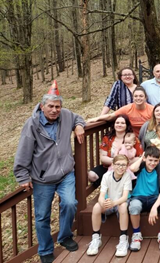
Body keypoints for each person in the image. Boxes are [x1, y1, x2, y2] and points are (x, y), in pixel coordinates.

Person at [13, 81, 85, 263]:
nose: (54, 110)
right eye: (51, 106)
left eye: (58, 107)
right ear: (42, 106)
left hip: (66, 173)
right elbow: (23, 152)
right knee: (42, 216)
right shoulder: (32, 125)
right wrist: (22, 176)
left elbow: (78, 118)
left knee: (70, 203)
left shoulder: (66, 115)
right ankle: (45, 250)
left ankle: (65, 236)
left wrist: (79, 126)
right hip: (42, 178)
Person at [128, 147, 160, 252]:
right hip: (139, 197)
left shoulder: (159, 168)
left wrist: (154, 208)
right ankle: (136, 234)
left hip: (154, 198)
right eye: (150, 160)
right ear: (145, 159)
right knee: (134, 206)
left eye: (155, 160)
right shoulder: (141, 166)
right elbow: (132, 169)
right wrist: (142, 158)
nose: (153, 163)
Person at [86, 155, 132, 257]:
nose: (121, 167)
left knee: (123, 206)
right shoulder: (106, 176)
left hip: (120, 202)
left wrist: (114, 203)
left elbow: (125, 197)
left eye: (123, 165)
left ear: (127, 166)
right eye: (118, 164)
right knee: (97, 207)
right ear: (113, 165)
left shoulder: (127, 176)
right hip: (110, 201)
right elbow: (101, 196)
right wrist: (103, 203)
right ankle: (96, 237)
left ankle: (123, 239)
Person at [88, 115, 143, 188]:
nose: (119, 125)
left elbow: (140, 157)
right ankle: (108, 185)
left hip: (128, 167)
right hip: (110, 166)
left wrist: (125, 162)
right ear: (114, 125)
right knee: (91, 175)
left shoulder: (132, 138)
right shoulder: (107, 138)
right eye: (117, 122)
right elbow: (103, 158)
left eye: (122, 123)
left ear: (127, 125)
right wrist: (117, 162)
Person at [88, 87, 153, 136]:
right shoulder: (127, 108)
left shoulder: (152, 109)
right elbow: (111, 116)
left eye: (141, 96)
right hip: (132, 139)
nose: (138, 98)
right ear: (133, 98)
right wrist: (96, 118)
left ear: (145, 97)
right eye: (136, 96)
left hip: (148, 138)